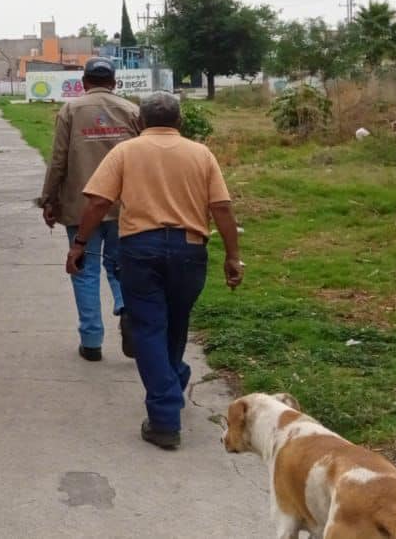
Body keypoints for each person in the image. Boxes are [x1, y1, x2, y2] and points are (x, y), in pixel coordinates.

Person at [66, 91, 243, 450]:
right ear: (179, 121)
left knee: (148, 328)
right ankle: (174, 378)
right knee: (176, 325)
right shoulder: (201, 154)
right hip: (190, 251)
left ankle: (164, 418)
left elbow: (99, 202)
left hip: (140, 251)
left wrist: (80, 243)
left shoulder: (125, 152)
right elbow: (221, 208)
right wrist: (232, 257)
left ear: (140, 122)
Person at [39, 58, 141, 362]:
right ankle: (125, 308)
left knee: (83, 269)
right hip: (123, 205)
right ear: (114, 82)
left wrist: (49, 199)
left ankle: (92, 340)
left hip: (81, 206)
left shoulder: (71, 110)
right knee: (119, 266)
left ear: (84, 82)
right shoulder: (132, 111)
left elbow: (58, 159)